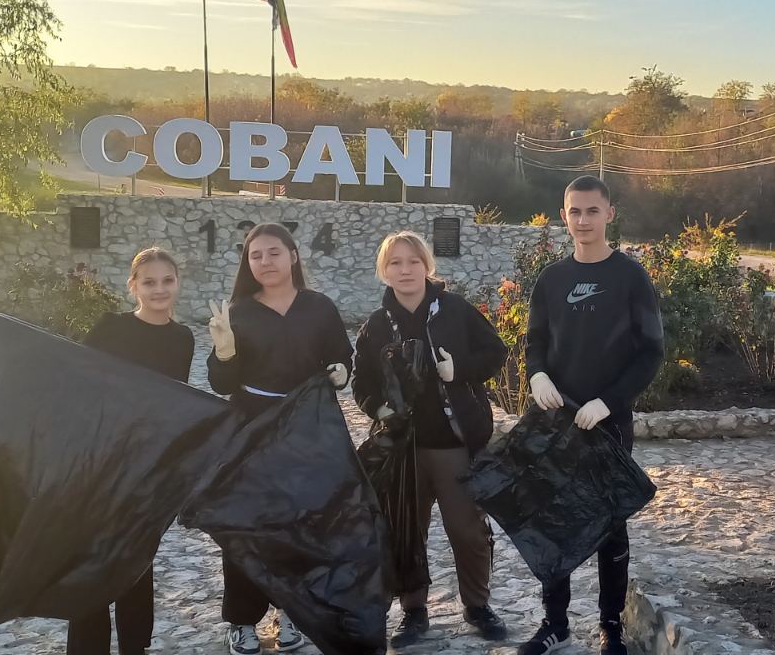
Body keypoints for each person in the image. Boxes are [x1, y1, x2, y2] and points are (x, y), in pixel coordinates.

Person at [517, 176, 663, 655]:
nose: (583, 220)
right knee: (551, 523)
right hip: (556, 425)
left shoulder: (630, 277)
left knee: (609, 527)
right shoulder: (552, 279)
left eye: (592, 211)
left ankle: (610, 626)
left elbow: (650, 352)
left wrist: (611, 401)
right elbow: (534, 339)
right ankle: (555, 624)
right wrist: (537, 374)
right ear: (563, 216)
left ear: (609, 214)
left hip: (608, 423)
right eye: (574, 211)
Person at [351, 231, 510, 648]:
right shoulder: (375, 325)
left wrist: (459, 372)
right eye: (395, 263)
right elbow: (361, 382)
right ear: (384, 272)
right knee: (406, 530)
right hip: (401, 449)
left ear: (427, 266)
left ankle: (477, 606)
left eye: (413, 261)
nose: (405, 270)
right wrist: (378, 409)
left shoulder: (455, 310)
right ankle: (413, 611)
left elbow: (497, 353)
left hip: (454, 443)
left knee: (469, 530)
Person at [205, 223, 354, 655]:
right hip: (252, 427)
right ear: (247, 263)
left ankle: (292, 612)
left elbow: (341, 355)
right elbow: (220, 383)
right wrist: (225, 351)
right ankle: (242, 620)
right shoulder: (239, 312)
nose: (265, 261)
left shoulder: (319, 306)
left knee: (302, 521)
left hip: (309, 425)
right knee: (247, 522)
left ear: (292, 256)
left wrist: (341, 371)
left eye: (273, 252)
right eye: (256, 255)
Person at [71, 247, 195, 655]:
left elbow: (172, 403)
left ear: (177, 283)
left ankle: (134, 649)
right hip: (102, 462)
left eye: (167, 281)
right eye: (149, 281)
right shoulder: (111, 328)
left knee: (136, 566)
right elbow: (77, 380)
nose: (159, 289)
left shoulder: (182, 338)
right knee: (92, 564)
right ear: (133, 287)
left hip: (148, 470)